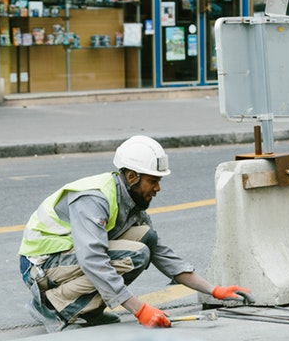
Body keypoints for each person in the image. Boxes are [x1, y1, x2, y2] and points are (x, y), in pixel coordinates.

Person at [18, 135, 252, 332]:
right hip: (41, 266)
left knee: (146, 238)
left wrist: (212, 289)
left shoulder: (131, 201)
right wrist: (139, 309)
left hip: (65, 260)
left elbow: (161, 253)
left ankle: (88, 311)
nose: (158, 188)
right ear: (132, 177)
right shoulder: (94, 198)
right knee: (136, 254)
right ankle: (52, 306)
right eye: (153, 181)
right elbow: (93, 260)